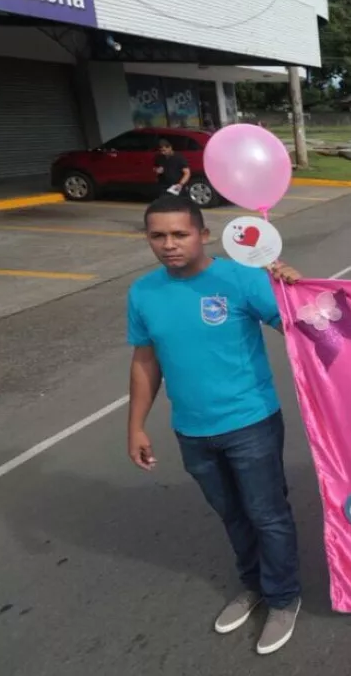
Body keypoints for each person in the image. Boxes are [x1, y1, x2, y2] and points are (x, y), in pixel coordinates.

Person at [126, 194, 304, 655]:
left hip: (251, 423)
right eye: (158, 236)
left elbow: (300, 328)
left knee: (268, 515)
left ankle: (284, 597)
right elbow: (145, 361)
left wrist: (292, 289)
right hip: (191, 431)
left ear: (203, 234)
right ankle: (255, 585)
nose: (169, 244)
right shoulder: (143, 292)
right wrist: (136, 426)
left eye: (180, 234)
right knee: (232, 515)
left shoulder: (240, 279)